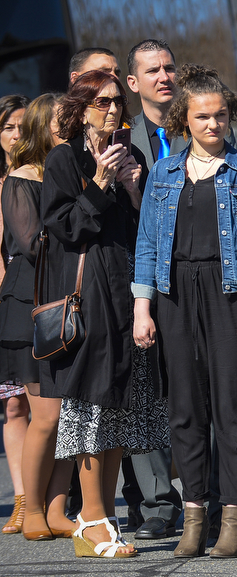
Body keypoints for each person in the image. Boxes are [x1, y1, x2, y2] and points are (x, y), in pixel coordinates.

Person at [132, 63, 237, 559]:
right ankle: (195, 515)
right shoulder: (165, 173)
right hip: (173, 295)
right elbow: (148, 242)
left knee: (233, 411)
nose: (213, 125)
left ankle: (234, 515)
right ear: (184, 122)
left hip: (230, 295)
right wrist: (142, 307)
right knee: (185, 410)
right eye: (202, 117)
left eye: (220, 116)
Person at [40, 69, 169, 558]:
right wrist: (97, 182)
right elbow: (66, 229)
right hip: (89, 294)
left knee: (119, 409)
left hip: (130, 292)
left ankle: (104, 517)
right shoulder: (64, 158)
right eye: (101, 103)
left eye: (117, 102)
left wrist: (136, 190)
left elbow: (146, 228)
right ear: (80, 108)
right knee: (93, 406)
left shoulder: (131, 153)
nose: (112, 110)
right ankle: (89, 518)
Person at [2, 93, 78, 542]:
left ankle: (55, 510)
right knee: (45, 415)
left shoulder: (68, 171)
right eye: (59, 121)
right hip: (29, 308)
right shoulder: (22, 177)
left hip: (67, 302)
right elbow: (36, 244)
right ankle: (30, 508)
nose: (67, 127)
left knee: (68, 416)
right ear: (39, 125)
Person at [119, 37, 183, 542]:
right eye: (152, 71)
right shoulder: (122, 141)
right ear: (133, 83)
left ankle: (203, 491)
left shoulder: (206, 128)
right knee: (143, 393)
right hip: (139, 286)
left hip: (197, 283)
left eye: (169, 68)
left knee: (191, 393)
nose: (164, 76)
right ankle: (159, 501)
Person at [0, 93, 29, 535]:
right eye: (7, 127)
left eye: (23, 125)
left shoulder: (39, 173)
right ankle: (22, 500)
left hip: (32, 301)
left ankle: (43, 498)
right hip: (6, 302)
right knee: (14, 404)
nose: (17, 134)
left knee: (42, 403)